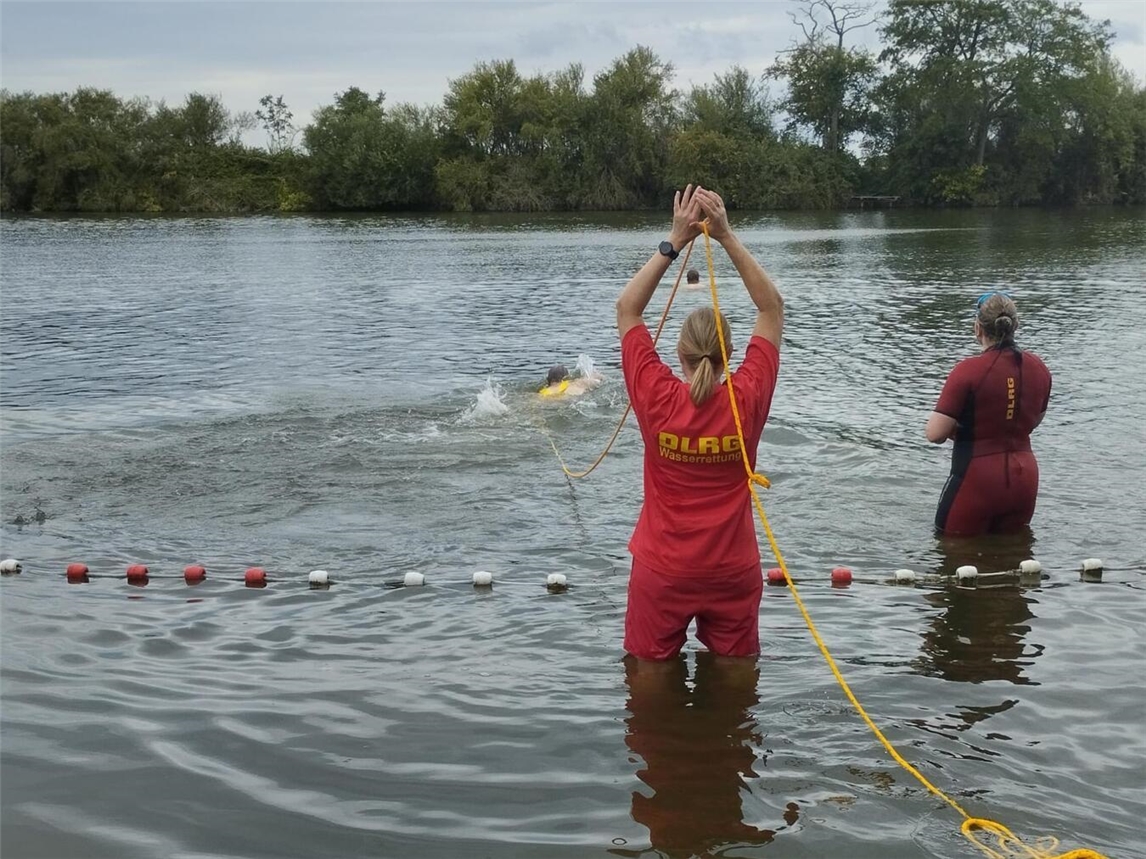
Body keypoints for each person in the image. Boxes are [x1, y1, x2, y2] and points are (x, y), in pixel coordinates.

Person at [616, 185, 783, 663]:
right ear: (730, 353)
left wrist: (675, 240)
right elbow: (771, 308)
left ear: (679, 353)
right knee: (736, 691)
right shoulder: (747, 397)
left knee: (649, 690)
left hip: (662, 569)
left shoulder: (657, 396)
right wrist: (726, 236)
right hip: (732, 570)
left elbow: (628, 309)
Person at [926, 292, 1052, 536]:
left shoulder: (968, 370)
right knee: (1014, 551)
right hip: (1025, 478)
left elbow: (935, 433)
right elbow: (1034, 420)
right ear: (1016, 325)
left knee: (949, 549)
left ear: (977, 327)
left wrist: (967, 428)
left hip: (976, 478)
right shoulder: (1039, 367)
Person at [538, 364, 603, 398]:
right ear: (567, 378)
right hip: (573, 400)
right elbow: (599, 379)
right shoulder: (577, 383)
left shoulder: (542, 393)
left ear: (548, 379)